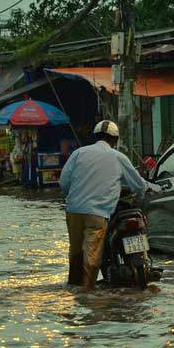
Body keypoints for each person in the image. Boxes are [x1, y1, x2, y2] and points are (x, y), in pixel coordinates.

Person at [59, 120, 161, 291]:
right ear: (115, 140)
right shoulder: (119, 157)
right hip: (98, 214)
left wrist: (75, 196)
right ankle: (87, 293)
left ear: (96, 136)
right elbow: (138, 185)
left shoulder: (79, 153)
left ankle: (74, 290)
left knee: (76, 252)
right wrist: (151, 188)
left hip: (74, 210)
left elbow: (63, 183)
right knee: (92, 256)